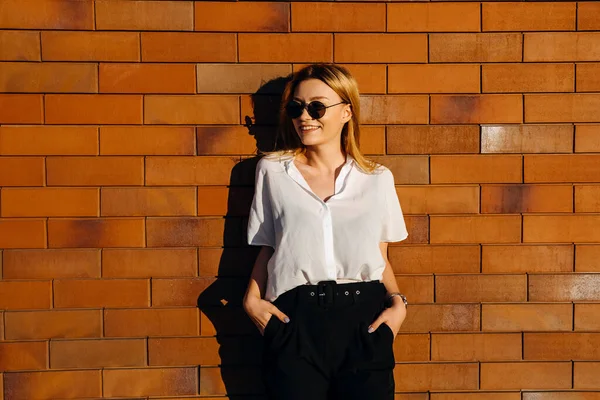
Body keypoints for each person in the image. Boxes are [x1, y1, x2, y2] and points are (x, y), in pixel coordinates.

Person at [243, 63, 409, 400]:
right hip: (295, 323)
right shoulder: (273, 172)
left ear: (347, 111)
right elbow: (269, 246)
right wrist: (251, 301)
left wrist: (398, 305)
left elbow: (380, 253)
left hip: (364, 322)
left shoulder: (376, 178)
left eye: (317, 106)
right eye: (296, 107)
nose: (305, 116)